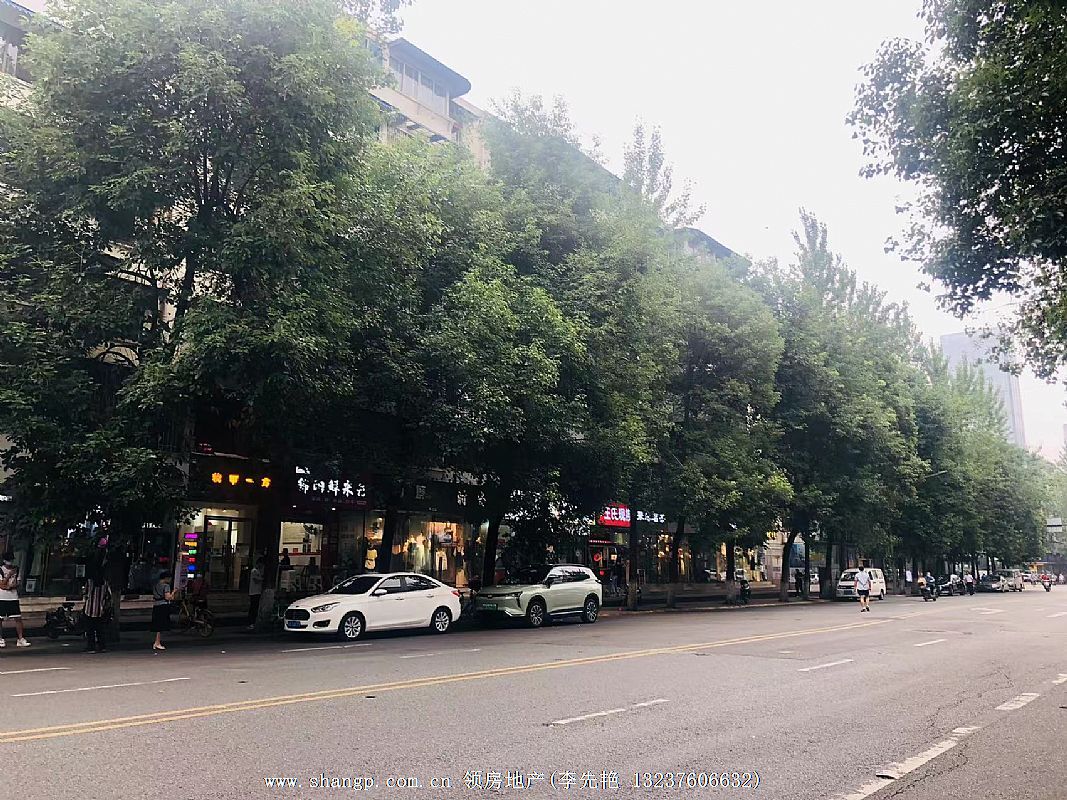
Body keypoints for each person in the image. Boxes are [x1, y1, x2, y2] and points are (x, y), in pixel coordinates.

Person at [82, 540, 112, 653]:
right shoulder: (104, 583)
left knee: (90, 629)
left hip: (89, 608)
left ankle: (91, 647)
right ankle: (102, 646)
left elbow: (85, 593)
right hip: (100, 608)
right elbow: (108, 596)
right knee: (100, 629)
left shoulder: (90, 582)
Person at [0, 553, 30, 647]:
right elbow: (2, 585)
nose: (10, 562)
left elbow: (18, 582)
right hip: (2, 597)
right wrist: (9, 575)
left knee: (18, 618)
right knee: (0, 618)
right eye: (8, 560)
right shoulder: (1, 570)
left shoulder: (16, 569)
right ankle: (0, 638)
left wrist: (13, 585)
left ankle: (20, 638)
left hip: (13, 596)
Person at [151, 570, 175, 652]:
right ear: (166, 578)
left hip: (156, 605)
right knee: (161, 625)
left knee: (157, 624)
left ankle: (157, 642)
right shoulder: (166, 586)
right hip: (163, 605)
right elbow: (168, 597)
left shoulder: (155, 585)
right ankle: (157, 642)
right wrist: (174, 592)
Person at [247, 557, 264, 630]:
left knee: (255, 608)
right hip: (254, 592)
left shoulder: (258, 571)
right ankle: (251, 622)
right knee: (253, 608)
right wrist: (263, 579)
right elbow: (256, 580)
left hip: (257, 592)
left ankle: (253, 622)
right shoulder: (254, 571)